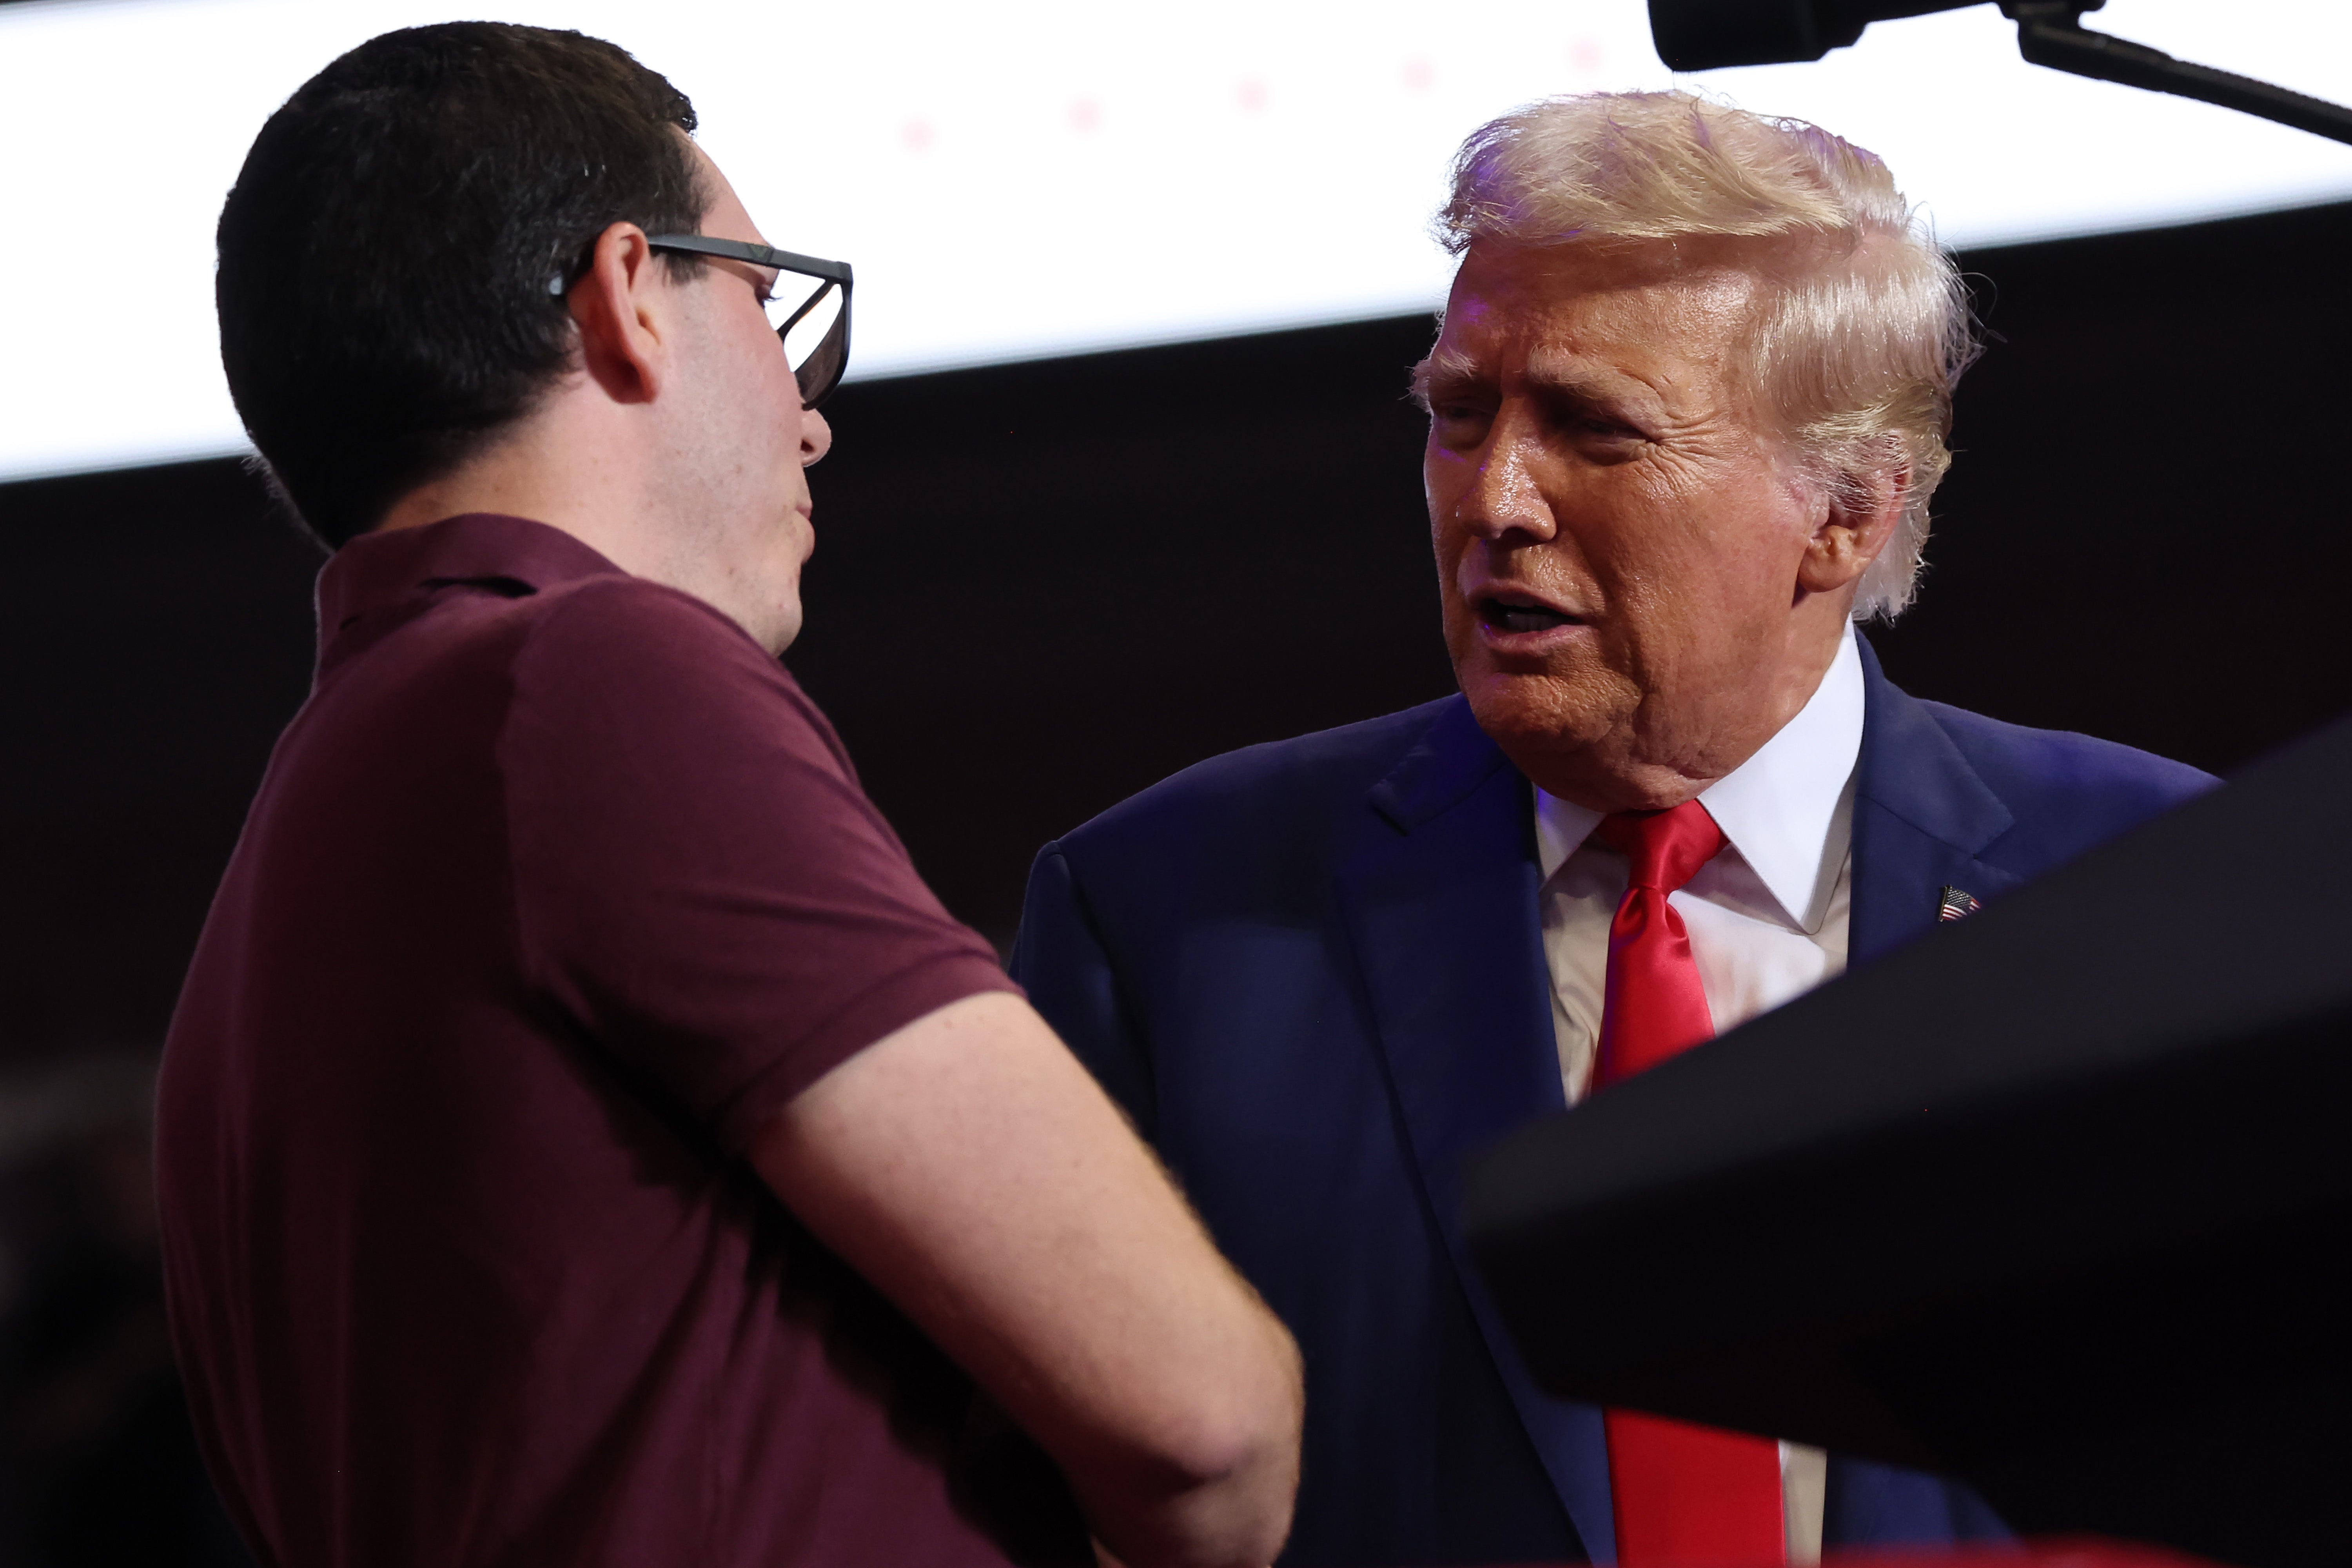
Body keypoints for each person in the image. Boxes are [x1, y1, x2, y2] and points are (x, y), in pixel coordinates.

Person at [1010, 91, 2213, 1568]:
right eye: (1461, 417)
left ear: (1844, 510)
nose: (1496, 502)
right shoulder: (1165, 916)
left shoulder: (2156, 895)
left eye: (1596, 429)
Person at [154, 23, 1301, 1568]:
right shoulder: (584, 682)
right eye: (768, 305)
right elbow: (1205, 1412)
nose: (812, 411)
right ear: (630, 294)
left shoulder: (287, 862)